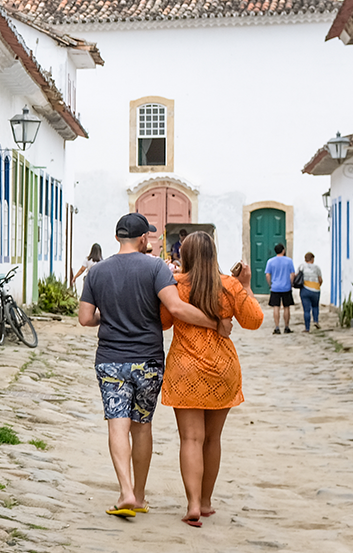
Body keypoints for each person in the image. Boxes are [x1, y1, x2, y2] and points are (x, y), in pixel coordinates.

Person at [78, 213, 231, 518]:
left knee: (116, 423)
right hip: (147, 359)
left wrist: (106, 317)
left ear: (117, 237)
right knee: (141, 425)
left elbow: (84, 318)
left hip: (110, 358)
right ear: (143, 238)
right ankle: (140, 495)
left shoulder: (96, 273)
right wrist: (213, 323)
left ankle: (124, 491)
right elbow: (175, 308)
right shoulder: (155, 267)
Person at [160, 232, 264, 528]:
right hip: (222, 369)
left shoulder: (176, 286)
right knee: (212, 439)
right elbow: (254, 321)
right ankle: (206, 502)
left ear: (186, 256)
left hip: (185, 368)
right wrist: (245, 285)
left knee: (190, 438)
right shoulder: (229, 286)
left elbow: (164, 322)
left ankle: (192, 504)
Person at [264, 243, 295, 334]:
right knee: (286, 307)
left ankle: (277, 327)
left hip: (275, 287)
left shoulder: (270, 261)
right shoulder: (289, 261)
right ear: (283, 250)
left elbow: (267, 274)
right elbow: (292, 274)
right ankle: (286, 326)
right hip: (286, 287)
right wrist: (291, 283)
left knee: (276, 307)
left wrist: (270, 284)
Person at [297, 252, 323, 331]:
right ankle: (316, 321)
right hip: (315, 290)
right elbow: (320, 279)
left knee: (306, 310)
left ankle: (307, 328)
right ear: (312, 259)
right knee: (315, 306)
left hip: (305, 289)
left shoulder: (301, 267)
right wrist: (318, 286)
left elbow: (296, 276)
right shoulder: (317, 267)